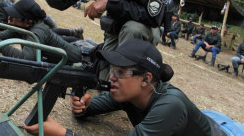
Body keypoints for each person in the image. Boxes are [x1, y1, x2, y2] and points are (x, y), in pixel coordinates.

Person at [23, 39, 227, 135]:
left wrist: (62, 134)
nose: (112, 77)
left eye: (120, 72)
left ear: (146, 79)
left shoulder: (170, 105)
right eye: (112, 70)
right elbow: (86, 111)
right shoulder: (128, 93)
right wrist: (83, 106)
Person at [0, 0, 82, 64]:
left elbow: (25, 59)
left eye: (13, 17)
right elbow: (0, 36)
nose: (9, 19)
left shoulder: (37, 31)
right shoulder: (22, 27)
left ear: (28, 22)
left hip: (80, 60)